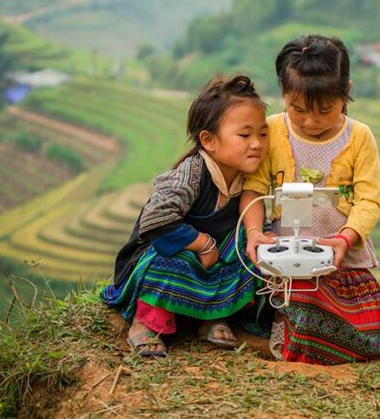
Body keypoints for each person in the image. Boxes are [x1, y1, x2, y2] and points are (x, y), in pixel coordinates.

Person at [240, 34, 380, 365]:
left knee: (374, 336)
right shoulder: (273, 130)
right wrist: (254, 234)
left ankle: (300, 330)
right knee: (298, 299)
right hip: (282, 259)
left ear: (346, 92)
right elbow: (253, 187)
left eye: (324, 110)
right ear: (283, 94)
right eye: (297, 109)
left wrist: (344, 240)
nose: (310, 121)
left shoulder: (359, 137)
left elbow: (369, 200)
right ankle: (287, 326)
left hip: (340, 258)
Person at [101, 74, 270, 357]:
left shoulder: (248, 179)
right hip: (169, 256)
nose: (257, 144)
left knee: (247, 249)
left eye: (262, 134)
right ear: (208, 140)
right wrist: (201, 244)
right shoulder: (191, 173)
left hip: (212, 261)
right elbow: (156, 220)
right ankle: (146, 323)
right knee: (168, 258)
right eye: (245, 135)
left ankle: (211, 316)